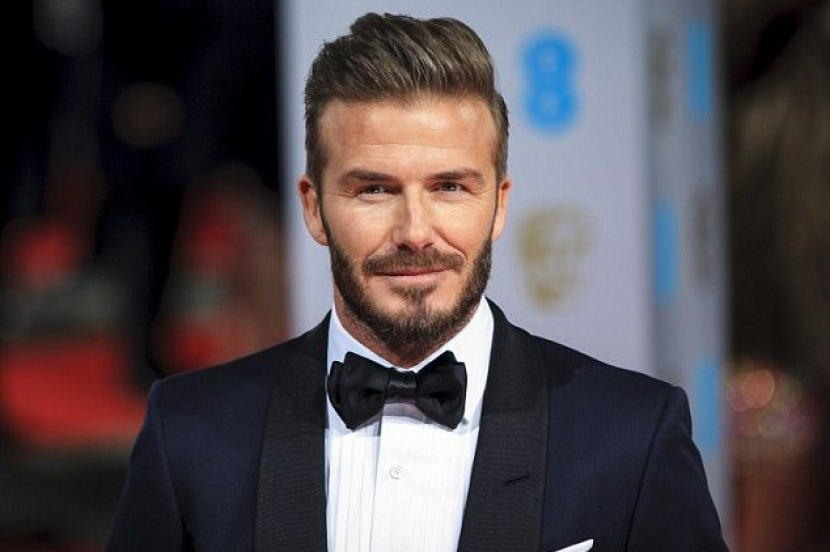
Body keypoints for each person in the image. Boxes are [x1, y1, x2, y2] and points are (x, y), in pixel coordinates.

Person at [107, 13, 728, 552]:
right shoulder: (187, 435)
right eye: (374, 189)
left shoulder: (632, 437)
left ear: (499, 205)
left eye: (449, 187)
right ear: (314, 209)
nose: (415, 232)